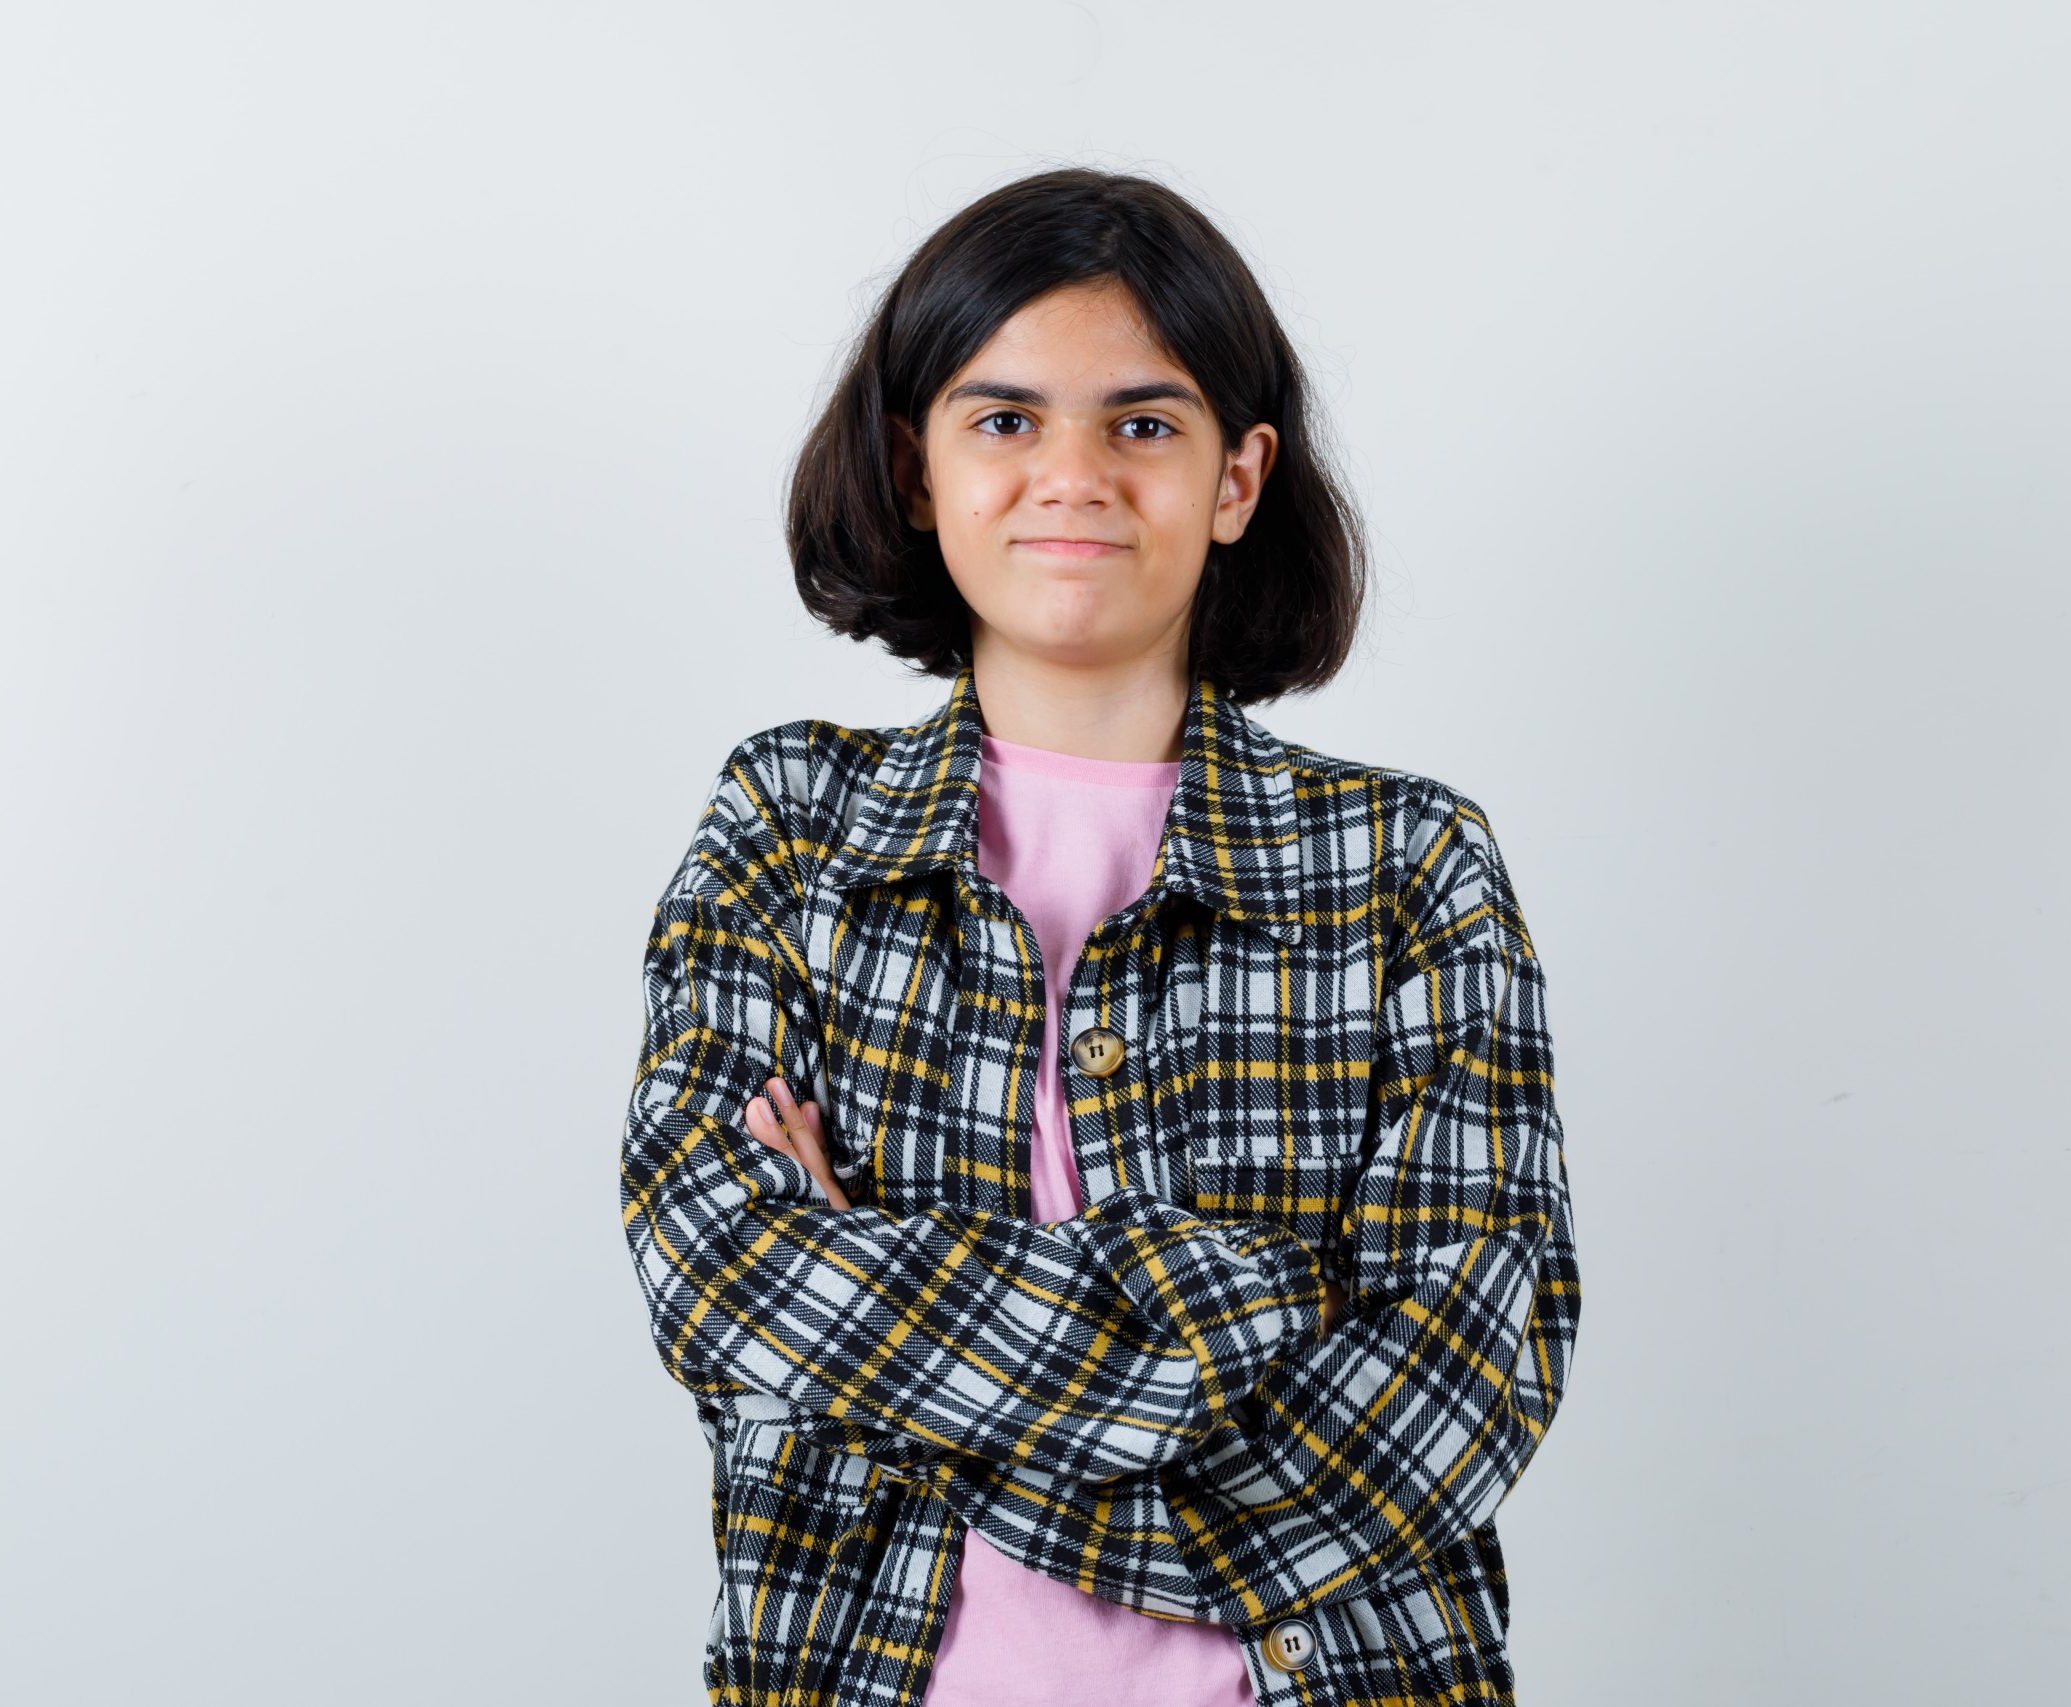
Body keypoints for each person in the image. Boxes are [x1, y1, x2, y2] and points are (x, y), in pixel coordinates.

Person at [619, 166, 1581, 1707]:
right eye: (1005, 419)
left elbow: (1466, 1375)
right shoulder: (788, 826)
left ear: (1237, 478)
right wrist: (1256, 1298)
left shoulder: (1410, 864)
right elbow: (720, 1270)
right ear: (916, 468)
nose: (1072, 474)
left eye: (1143, 423)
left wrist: (876, 1331)